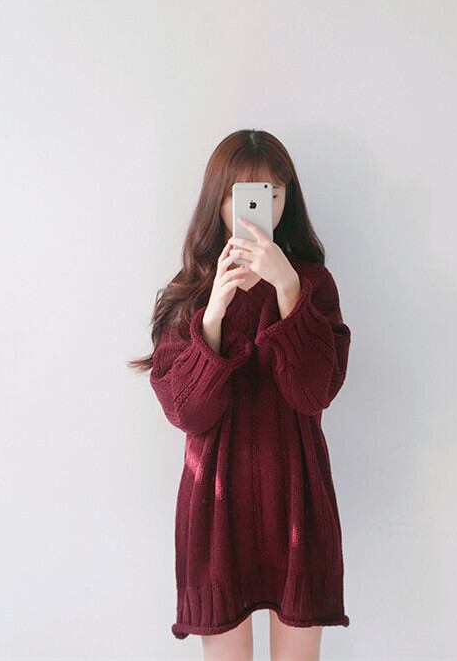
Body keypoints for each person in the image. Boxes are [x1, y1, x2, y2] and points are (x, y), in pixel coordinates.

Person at [129, 129, 351, 661]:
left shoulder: (313, 284)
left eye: (272, 192)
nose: (260, 206)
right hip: (215, 505)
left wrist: (289, 291)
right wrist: (213, 314)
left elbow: (313, 393)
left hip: (296, 496)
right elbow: (187, 412)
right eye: (244, 194)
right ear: (218, 200)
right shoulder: (189, 292)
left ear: (288, 198)